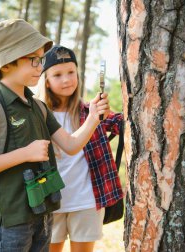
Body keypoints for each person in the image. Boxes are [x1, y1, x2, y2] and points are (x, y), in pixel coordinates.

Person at [0, 19, 110, 252]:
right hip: (10, 222)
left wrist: (92, 117)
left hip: (43, 216)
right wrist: (24, 154)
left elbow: (71, 145)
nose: (40, 67)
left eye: (41, 60)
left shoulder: (38, 107)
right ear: (7, 63)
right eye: (34, 60)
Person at [39, 45, 123, 252]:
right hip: (50, 202)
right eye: (57, 75)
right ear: (46, 81)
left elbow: (122, 125)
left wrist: (107, 111)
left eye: (71, 72)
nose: (66, 79)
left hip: (86, 200)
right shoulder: (38, 116)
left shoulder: (89, 111)